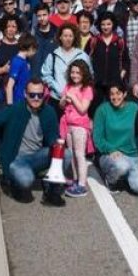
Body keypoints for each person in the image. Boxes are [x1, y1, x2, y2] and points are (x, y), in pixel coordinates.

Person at [0, 79, 64, 206]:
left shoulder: (49, 112)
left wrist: (56, 144)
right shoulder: (15, 110)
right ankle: (13, 182)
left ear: (44, 95)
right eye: (32, 95)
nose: (36, 98)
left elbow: (52, 136)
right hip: (17, 159)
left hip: (37, 156)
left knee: (65, 154)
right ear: (25, 94)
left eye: (39, 95)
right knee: (26, 180)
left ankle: (52, 189)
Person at [94, 84, 138, 194]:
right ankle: (111, 180)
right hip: (110, 154)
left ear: (125, 94)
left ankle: (124, 176)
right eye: (112, 94)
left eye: (118, 93)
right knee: (122, 166)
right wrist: (110, 149)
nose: (115, 97)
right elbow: (97, 137)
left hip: (132, 154)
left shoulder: (133, 108)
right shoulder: (102, 110)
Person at [58, 59, 94, 198]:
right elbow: (61, 106)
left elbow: (83, 109)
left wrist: (73, 97)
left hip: (80, 126)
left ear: (84, 74)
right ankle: (74, 179)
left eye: (78, 72)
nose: (75, 75)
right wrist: (63, 100)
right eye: (72, 72)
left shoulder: (87, 89)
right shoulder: (67, 86)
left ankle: (82, 184)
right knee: (72, 153)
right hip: (68, 125)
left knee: (79, 154)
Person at [86, 12, 128, 114]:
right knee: (95, 110)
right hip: (97, 84)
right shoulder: (93, 41)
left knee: (114, 110)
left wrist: (122, 73)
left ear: (113, 24)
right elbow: (85, 59)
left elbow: (126, 60)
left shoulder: (119, 41)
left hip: (114, 83)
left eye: (108, 24)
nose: (106, 27)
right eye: (103, 24)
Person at [41, 23, 91, 102]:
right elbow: (46, 75)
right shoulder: (53, 55)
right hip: (56, 98)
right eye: (65, 36)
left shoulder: (82, 56)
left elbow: (89, 76)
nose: (68, 39)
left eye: (70, 36)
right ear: (60, 37)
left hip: (78, 100)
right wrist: (58, 89)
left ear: (74, 38)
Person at [5, 34, 38, 105]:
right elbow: (9, 86)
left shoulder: (25, 61)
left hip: (23, 100)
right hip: (17, 101)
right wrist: (10, 107)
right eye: (35, 50)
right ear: (30, 48)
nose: (35, 53)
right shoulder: (17, 62)